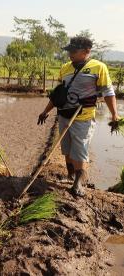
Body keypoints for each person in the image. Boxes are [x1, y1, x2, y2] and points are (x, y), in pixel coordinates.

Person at [38, 36, 120, 197]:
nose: (70, 54)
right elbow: (58, 94)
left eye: (74, 51)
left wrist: (114, 114)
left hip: (83, 117)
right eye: (69, 51)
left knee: (80, 149)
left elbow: (108, 92)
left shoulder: (98, 67)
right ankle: (70, 176)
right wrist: (46, 111)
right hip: (64, 115)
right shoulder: (65, 68)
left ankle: (78, 183)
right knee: (67, 149)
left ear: (86, 51)